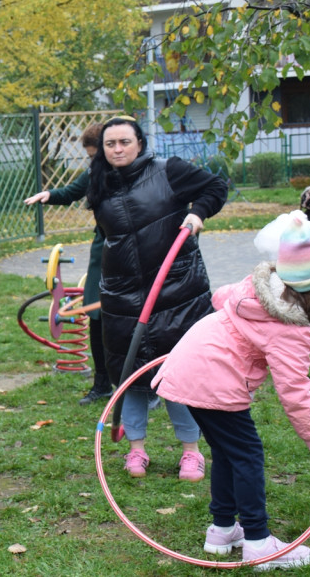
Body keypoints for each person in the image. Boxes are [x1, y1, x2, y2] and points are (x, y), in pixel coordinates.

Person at [152, 211, 310, 569]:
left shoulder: (256, 290)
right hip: (213, 380)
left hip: (188, 367)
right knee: (248, 455)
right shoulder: (290, 327)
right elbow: (295, 394)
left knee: (229, 452)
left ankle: (223, 529)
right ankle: (259, 543)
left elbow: (221, 297)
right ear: (308, 282)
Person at [84, 115, 227, 481]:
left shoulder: (169, 170)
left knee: (177, 372)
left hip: (176, 290)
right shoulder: (99, 182)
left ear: (140, 143)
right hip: (123, 293)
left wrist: (197, 213)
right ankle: (136, 450)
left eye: (124, 142)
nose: (117, 149)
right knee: (130, 373)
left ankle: (191, 452)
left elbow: (214, 187)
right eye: (110, 144)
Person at [23, 123, 112, 405]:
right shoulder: (94, 174)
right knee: (96, 317)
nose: (94, 161)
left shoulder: (135, 173)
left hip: (136, 250)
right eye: (90, 156)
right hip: (104, 248)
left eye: (97, 155)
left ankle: (143, 385)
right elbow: (72, 192)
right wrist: (48, 195)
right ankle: (101, 384)